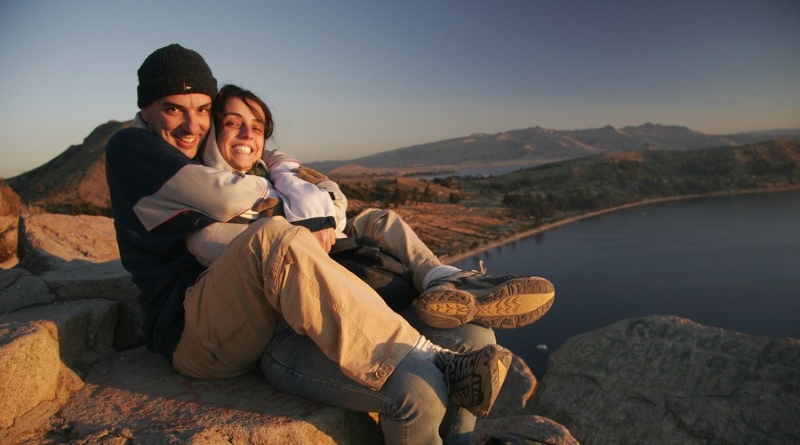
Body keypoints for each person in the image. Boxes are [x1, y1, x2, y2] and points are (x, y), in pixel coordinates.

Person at [105, 44, 554, 445]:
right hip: (196, 326)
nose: (191, 124)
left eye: (202, 110)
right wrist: (287, 194)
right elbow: (233, 211)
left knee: (474, 335)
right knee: (419, 385)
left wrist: (282, 172)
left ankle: (446, 285)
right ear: (146, 108)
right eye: (173, 109)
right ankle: (428, 353)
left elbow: (333, 199)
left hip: (278, 311)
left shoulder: (242, 163)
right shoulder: (135, 148)